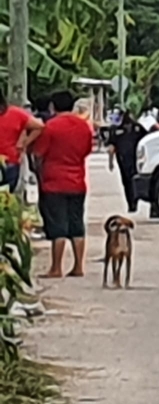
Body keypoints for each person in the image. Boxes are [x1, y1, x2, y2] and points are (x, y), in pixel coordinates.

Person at [32, 91, 94, 278]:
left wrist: (39, 172)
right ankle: (78, 266)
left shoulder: (50, 127)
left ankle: (56, 268)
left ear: (53, 107)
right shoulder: (83, 127)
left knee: (57, 226)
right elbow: (86, 151)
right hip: (77, 181)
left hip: (54, 182)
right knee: (77, 224)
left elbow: (38, 154)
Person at [0, 88, 44, 191]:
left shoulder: (15, 113)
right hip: (10, 160)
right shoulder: (15, 113)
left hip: (9, 161)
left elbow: (39, 127)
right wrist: (24, 143)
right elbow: (39, 126)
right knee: (7, 197)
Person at [108, 112, 148, 213]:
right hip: (124, 159)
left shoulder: (137, 128)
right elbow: (112, 147)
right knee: (128, 181)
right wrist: (110, 162)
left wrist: (110, 162)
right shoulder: (116, 129)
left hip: (132, 159)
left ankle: (133, 202)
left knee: (129, 181)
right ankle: (132, 202)